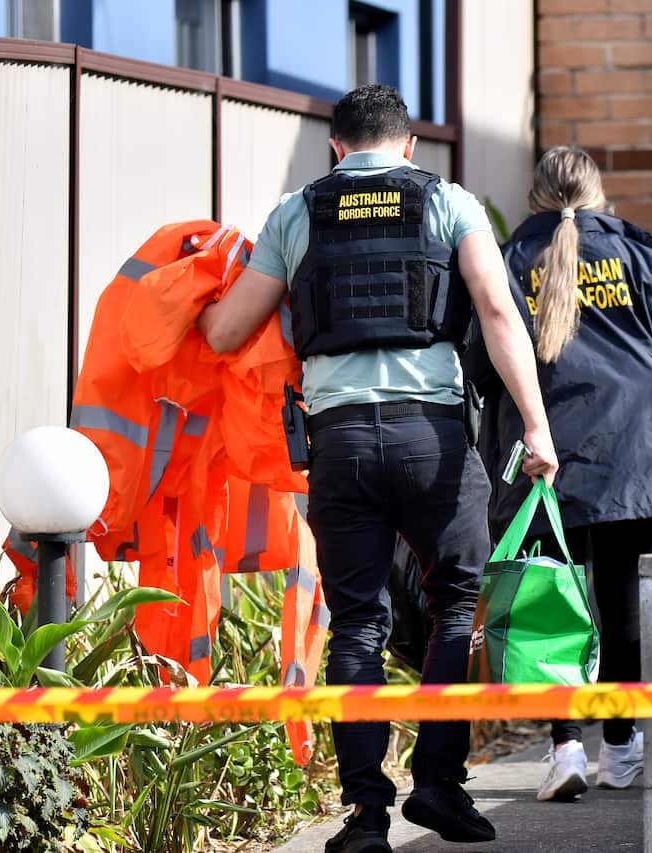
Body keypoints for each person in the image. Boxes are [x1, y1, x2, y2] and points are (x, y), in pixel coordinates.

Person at [198, 84, 558, 853]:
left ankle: (364, 815)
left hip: (341, 447)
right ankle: (438, 783)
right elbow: (497, 312)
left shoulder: (296, 213)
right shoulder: (449, 202)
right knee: (453, 604)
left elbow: (227, 331)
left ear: (335, 147)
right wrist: (535, 424)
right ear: (408, 147)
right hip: (433, 440)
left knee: (358, 620)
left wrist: (187, 301)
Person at [470, 146, 652, 802]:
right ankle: (623, 747)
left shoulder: (507, 262)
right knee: (624, 608)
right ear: (599, 196)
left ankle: (564, 744)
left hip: (542, 457)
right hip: (638, 451)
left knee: (546, 604)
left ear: (536, 199)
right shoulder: (640, 259)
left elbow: (480, 368)